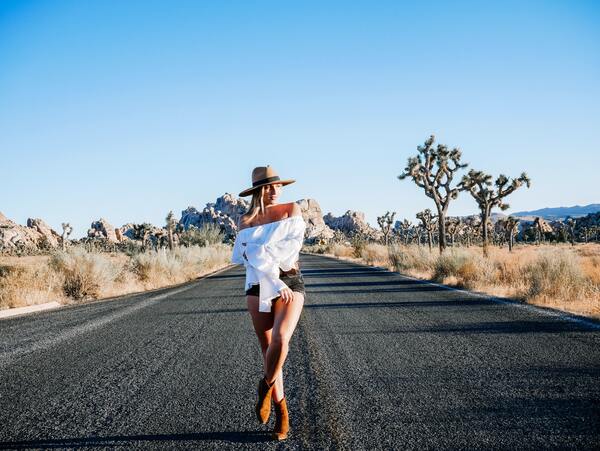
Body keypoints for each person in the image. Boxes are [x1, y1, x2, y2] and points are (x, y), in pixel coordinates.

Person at [231, 165, 307, 441]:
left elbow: (289, 251)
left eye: (278, 186)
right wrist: (270, 274)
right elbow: (247, 257)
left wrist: (261, 252)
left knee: (281, 339)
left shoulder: (291, 210)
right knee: (268, 352)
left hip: (291, 281)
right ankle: (281, 410)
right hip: (257, 286)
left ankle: (265, 386)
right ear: (257, 191)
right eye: (268, 187)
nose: (274, 191)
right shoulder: (245, 221)